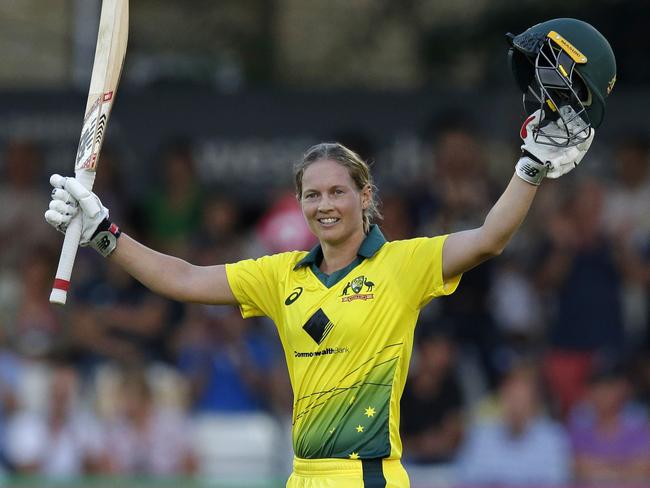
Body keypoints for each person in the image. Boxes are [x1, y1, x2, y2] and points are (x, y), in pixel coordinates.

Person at [44, 18, 614, 487]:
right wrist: (103, 232)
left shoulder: (403, 265)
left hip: (369, 478)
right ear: (298, 203)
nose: (324, 205)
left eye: (338, 191)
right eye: (312, 194)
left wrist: (530, 168)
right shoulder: (281, 275)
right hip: (302, 478)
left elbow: (490, 237)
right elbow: (183, 278)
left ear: (365, 196)